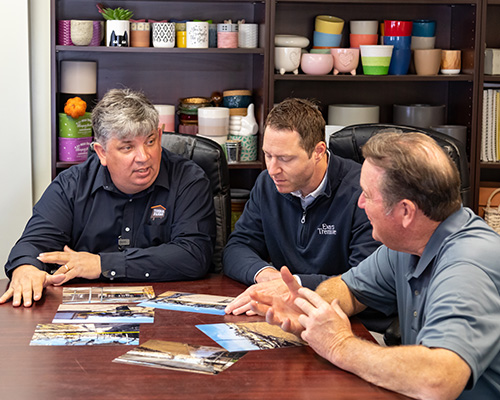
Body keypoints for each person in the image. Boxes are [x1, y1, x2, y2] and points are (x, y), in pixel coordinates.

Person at [250, 131, 500, 399]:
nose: (359, 203)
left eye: (368, 195)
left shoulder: (467, 267)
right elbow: (349, 288)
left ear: (405, 211)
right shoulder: (408, 244)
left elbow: (437, 380)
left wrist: (340, 345)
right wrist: (309, 311)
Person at [1, 88, 216, 308]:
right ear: (101, 152)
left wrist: (102, 264)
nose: (144, 157)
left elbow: (194, 254)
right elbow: (34, 244)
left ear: (160, 136)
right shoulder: (71, 185)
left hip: (170, 315)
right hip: (87, 313)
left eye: (150, 142)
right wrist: (25, 270)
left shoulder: (189, 179)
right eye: (127, 147)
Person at [223, 98, 388, 332]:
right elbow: (236, 248)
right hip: (289, 317)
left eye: (285, 158)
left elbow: (364, 281)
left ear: (318, 151)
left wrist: (294, 285)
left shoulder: (363, 193)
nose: (272, 169)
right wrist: (268, 276)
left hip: (353, 325)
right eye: (268, 155)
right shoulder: (267, 184)